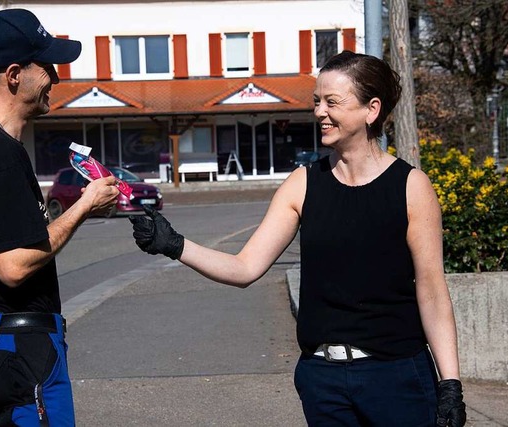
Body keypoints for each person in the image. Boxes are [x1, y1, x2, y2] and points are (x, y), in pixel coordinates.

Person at [129, 50, 466, 426]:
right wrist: (174, 245)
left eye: (332, 102)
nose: (320, 111)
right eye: (317, 101)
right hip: (323, 381)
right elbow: (245, 267)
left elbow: (433, 291)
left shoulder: (411, 187)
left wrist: (450, 383)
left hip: (397, 377)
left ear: (371, 110)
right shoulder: (303, 184)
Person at [0, 9, 119, 426]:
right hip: (21, 349)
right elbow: (13, 264)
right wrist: (84, 206)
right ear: (15, 74)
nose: (55, 79)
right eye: (47, 66)